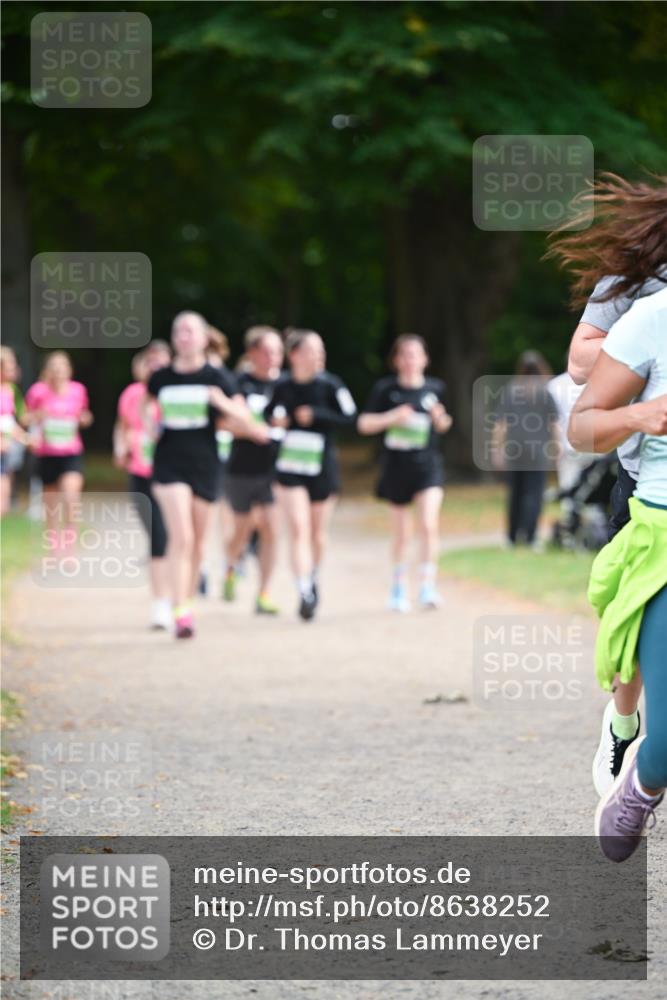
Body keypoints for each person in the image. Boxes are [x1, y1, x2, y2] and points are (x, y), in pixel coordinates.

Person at [547, 172, 667, 795]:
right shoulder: (636, 284)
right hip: (641, 474)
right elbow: (577, 361)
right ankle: (623, 723)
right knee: (639, 609)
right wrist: (642, 349)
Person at [569, 286, 667, 862]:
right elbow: (581, 415)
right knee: (630, 652)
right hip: (653, 518)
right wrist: (642, 412)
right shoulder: (642, 299)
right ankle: (634, 749)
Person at [146, 311, 249, 639]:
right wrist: (148, 425)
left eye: (190, 331)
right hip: (169, 464)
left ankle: (185, 605)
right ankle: (178, 608)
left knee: (199, 544)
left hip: (205, 463)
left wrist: (220, 402)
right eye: (178, 330)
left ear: (204, 338)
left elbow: (244, 416)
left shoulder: (218, 377)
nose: (183, 336)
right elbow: (144, 408)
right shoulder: (160, 377)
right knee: (183, 536)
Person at [264, 329, 356, 621]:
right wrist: (279, 420)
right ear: (295, 355)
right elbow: (268, 414)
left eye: (321, 351)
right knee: (299, 528)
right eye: (312, 351)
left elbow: (351, 418)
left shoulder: (332, 385)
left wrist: (317, 415)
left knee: (317, 533)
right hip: (290, 467)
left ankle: (313, 577)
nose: (318, 357)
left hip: (322, 466)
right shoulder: (281, 386)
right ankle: (303, 590)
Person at [358, 334, 452, 611]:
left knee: (428, 525)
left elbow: (446, 423)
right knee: (401, 533)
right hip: (396, 468)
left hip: (428, 467)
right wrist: (391, 417)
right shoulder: (386, 390)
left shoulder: (435, 389)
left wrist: (439, 419)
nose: (410, 360)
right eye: (405, 355)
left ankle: (427, 586)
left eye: (415, 354)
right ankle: (398, 588)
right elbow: (363, 423)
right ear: (396, 360)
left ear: (425, 359)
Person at [223, 326, 285, 614]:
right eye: (267, 351)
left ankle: (264, 592)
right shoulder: (237, 383)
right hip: (241, 468)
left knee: (272, 529)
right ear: (252, 353)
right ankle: (231, 565)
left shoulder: (286, 385)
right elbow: (223, 423)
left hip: (275, 468)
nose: (273, 357)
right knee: (244, 527)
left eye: (277, 351)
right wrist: (250, 429)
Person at [114, 341, 172, 630]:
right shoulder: (133, 394)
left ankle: (170, 601)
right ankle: (163, 601)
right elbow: (123, 426)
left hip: (173, 473)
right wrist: (120, 447)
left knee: (170, 537)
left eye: (162, 361)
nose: (156, 366)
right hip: (140, 472)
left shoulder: (175, 393)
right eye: (151, 361)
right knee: (158, 535)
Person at [491, 351, 560, 551]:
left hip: (515, 450)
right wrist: (557, 446)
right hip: (537, 451)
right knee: (534, 494)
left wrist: (497, 449)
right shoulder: (545, 392)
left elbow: (500, 424)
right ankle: (530, 537)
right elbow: (554, 422)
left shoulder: (511, 390)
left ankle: (512, 537)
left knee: (515, 494)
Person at [25, 351, 93, 548]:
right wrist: (38, 415)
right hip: (46, 454)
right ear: (48, 371)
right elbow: (25, 418)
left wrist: (84, 418)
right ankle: (54, 546)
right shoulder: (38, 391)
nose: (58, 371)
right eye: (54, 367)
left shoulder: (78, 390)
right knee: (51, 505)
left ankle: (70, 544)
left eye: (62, 367)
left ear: (69, 370)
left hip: (71, 453)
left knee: (71, 498)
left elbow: (85, 414)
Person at [0, 347, 27, 516]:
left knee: (4, 500)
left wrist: (25, 437)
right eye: (10, 366)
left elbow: (8, 421)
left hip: (4, 452)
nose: (15, 369)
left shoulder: (9, 390)